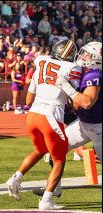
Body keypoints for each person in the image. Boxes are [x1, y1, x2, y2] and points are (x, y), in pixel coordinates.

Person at [5, 40, 79, 210]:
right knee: (59, 160)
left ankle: (16, 178)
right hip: (51, 117)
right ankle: (47, 201)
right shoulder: (71, 68)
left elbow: (28, 100)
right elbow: (75, 101)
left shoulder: (41, 62)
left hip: (33, 115)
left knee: (40, 150)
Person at [33, 41, 102, 197]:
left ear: (95, 59)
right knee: (56, 151)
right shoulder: (83, 71)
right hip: (84, 125)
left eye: (87, 54)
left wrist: (68, 88)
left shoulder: (94, 75)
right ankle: (54, 187)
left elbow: (87, 102)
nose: (82, 56)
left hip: (99, 128)